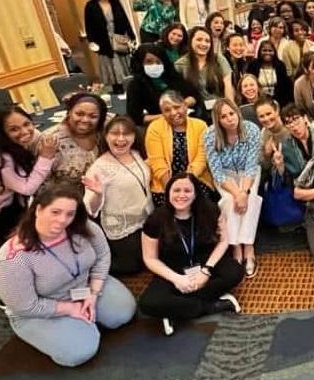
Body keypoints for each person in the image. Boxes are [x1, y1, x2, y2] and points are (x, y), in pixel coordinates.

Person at [0, 183, 136, 366]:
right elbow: (26, 306)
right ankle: (69, 328)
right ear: (38, 210)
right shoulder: (13, 259)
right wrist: (70, 309)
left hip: (84, 286)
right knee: (80, 351)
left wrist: (93, 293)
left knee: (123, 312)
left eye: (69, 214)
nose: (62, 220)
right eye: (55, 212)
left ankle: (83, 322)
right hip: (41, 306)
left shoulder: (84, 228)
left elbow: (103, 256)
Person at [139, 172, 244, 336]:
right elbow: (150, 258)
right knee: (148, 303)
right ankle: (210, 306)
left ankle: (176, 309)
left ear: (195, 194)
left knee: (235, 272)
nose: (181, 195)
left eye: (187, 191)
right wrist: (177, 279)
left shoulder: (210, 210)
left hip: (205, 262)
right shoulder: (156, 219)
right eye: (176, 190)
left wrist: (206, 271)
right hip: (173, 268)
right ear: (168, 193)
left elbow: (224, 241)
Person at [0, 107, 56, 247]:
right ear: (2, 133)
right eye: (14, 129)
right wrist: (46, 158)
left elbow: (37, 135)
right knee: (22, 243)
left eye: (27, 124)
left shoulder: (10, 140)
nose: (25, 132)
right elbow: (27, 188)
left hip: (1, 200)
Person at [82, 116, 152, 275]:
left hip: (145, 218)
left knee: (155, 257)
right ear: (106, 136)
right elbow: (90, 208)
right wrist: (98, 194)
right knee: (132, 268)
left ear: (134, 136)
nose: (121, 139)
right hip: (123, 225)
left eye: (126, 134)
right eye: (115, 133)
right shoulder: (99, 167)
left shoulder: (137, 154)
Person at [205, 99, 262, 278]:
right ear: (218, 120)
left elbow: (251, 166)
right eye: (223, 116)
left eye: (231, 113)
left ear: (237, 112)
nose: (230, 119)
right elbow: (217, 172)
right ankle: (236, 247)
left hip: (248, 173)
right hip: (226, 176)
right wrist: (237, 194)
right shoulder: (210, 135)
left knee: (251, 198)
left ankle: (249, 248)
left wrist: (244, 192)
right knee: (229, 201)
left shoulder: (251, 129)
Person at [145, 91, 215, 206]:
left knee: (202, 207)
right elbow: (158, 163)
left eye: (177, 107)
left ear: (185, 106)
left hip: (196, 179)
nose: (173, 113)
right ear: (162, 113)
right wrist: (172, 190)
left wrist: (185, 185)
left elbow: (201, 159)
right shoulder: (154, 128)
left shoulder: (200, 126)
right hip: (165, 184)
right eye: (167, 110)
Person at [40, 93, 108, 187]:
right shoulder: (50, 139)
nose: (85, 120)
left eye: (93, 116)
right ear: (69, 112)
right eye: (79, 114)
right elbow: (41, 182)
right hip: (64, 194)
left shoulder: (105, 132)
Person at [127, 44, 201, 126]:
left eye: (158, 62)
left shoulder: (172, 76)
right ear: (140, 63)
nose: (154, 65)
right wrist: (167, 115)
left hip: (186, 121)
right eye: (149, 62)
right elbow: (136, 118)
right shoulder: (135, 85)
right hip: (158, 125)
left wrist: (184, 104)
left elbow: (194, 95)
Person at [84, 0, 135, 94]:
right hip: (103, 40)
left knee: (123, 64)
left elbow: (125, 20)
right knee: (109, 64)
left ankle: (128, 88)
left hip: (118, 38)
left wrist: (131, 36)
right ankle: (116, 89)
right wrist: (91, 41)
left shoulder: (116, 3)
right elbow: (88, 25)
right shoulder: (90, 6)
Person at [175, 26, 235, 109]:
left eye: (207, 41)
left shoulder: (219, 59)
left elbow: (228, 86)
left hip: (219, 108)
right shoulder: (180, 65)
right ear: (190, 41)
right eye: (199, 39)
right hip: (195, 111)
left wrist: (231, 108)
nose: (203, 44)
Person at [277, 104, 314, 180]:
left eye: (296, 120)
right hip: (301, 184)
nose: (294, 127)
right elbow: (285, 177)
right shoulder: (286, 146)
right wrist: (280, 165)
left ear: (305, 118)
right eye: (288, 123)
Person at [250, 39, 293, 106]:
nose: (267, 53)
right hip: (257, 101)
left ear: (274, 52)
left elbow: (285, 87)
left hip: (279, 102)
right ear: (259, 51)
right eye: (264, 50)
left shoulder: (280, 65)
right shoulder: (253, 65)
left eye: (270, 51)